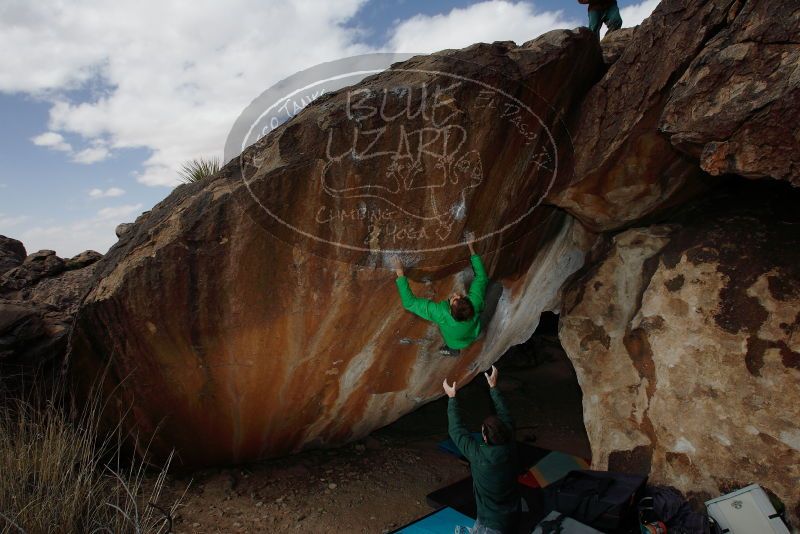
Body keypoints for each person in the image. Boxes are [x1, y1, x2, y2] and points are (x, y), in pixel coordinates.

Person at [444, 366, 520, 534]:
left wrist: (452, 398)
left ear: (484, 437)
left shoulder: (479, 455)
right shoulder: (510, 442)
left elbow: (456, 430)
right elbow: (505, 414)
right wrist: (493, 387)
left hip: (490, 522)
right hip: (512, 511)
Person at [392, 234, 488, 356]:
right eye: (460, 297)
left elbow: (410, 303)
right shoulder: (475, 302)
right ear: (469, 303)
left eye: (453, 299)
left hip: (454, 341)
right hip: (472, 333)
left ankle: (452, 350)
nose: (455, 294)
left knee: (453, 345)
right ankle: (454, 348)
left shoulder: (441, 314)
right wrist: (471, 247)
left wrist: (400, 274)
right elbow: (481, 277)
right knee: (466, 332)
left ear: (451, 311)